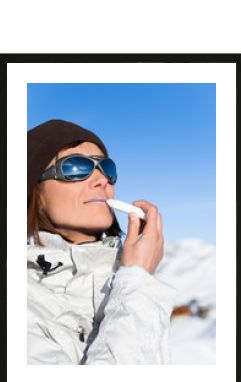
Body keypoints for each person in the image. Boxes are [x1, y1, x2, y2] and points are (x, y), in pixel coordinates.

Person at [27, 119, 177, 364]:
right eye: (75, 167)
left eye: (106, 168)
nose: (102, 180)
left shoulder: (126, 280)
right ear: (33, 188)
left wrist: (135, 279)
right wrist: (137, 281)